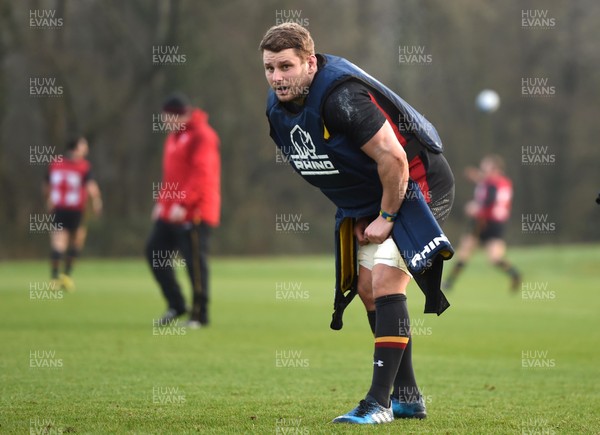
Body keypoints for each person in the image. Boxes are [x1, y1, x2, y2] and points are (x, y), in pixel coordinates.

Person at [259, 23, 454, 424]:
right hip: (372, 193)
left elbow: (395, 159)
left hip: (416, 183)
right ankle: (407, 397)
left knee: (385, 280)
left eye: (286, 67)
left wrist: (386, 217)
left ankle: (377, 403)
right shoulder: (278, 109)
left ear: (310, 63)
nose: (277, 78)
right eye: (269, 68)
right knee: (366, 289)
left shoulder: (342, 98)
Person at [146, 92, 221, 328]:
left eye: (168, 117)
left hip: (196, 211)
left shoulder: (202, 136)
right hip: (172, 211)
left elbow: (202, 174)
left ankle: (200, 314)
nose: (165, 121)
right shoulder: (173, 137)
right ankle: (177, 304)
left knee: (194, 264)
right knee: (154, 252)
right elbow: (172, 177)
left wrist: (183, 203)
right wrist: (162, 202)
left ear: (181, 115)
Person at [443, 155, 521, 291]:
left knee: (470, 252)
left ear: (495, 169)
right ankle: (514, 274)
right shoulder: (501, 181)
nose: (483, 169)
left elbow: (490, 197)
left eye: (486, 167)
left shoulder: (492, 183)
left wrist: (476, 207)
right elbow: (487, 183)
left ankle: (448, 283)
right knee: (488, 256)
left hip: (484, 221)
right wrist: (476, 177)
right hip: (497, 223)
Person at [44, 137, 103, 291]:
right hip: (75, 210)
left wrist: (49, 200)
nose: (86, 149)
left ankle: (54, 279)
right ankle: (67, 276)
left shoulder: (55, 163)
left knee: (58, 242)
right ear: (76, 148)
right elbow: (91, 187)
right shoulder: (83, 166)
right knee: (77, 241)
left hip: (59, 209)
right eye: (83, 145)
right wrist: (97, 202)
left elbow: (47, 185)